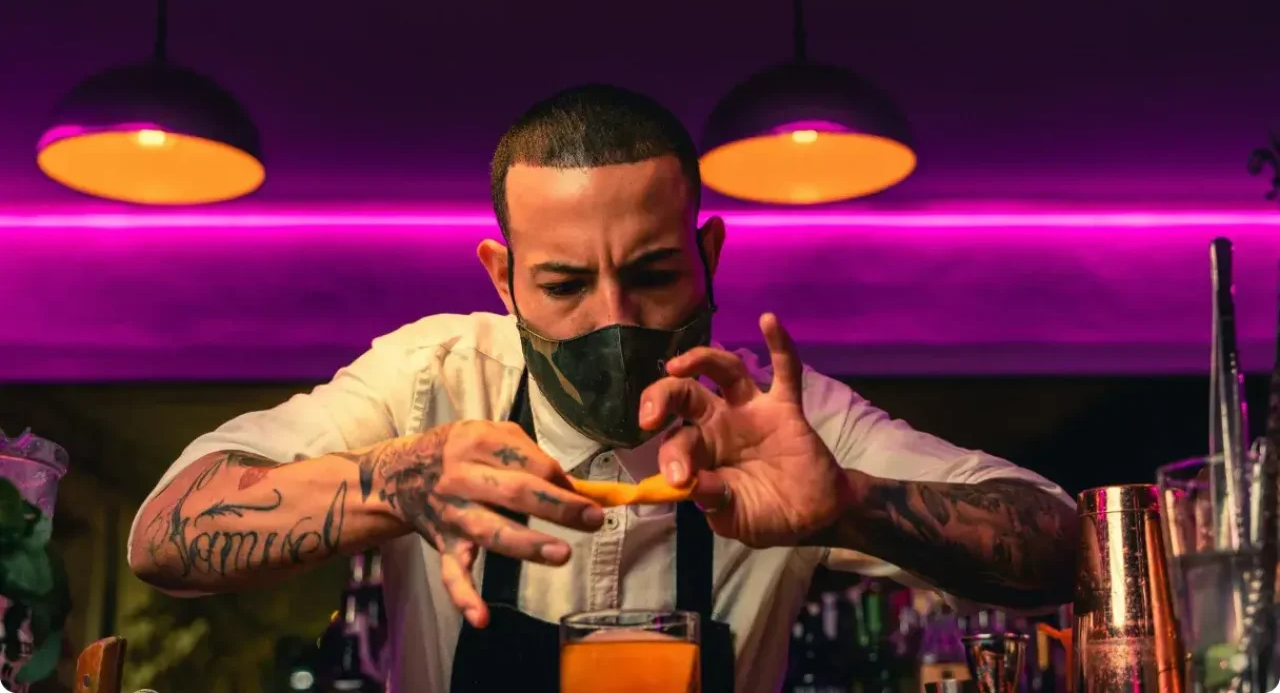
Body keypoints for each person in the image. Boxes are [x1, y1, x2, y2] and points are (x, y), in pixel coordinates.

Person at [127, 84, 1077, 693]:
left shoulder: (783, 417)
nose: (613, 320)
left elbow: (1067, 550)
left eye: (655, 274)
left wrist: (850, 504)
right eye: (565, 285)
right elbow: (165, 533)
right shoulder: (434, 377)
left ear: (707, 257)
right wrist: (393, 481)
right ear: (502, 279)